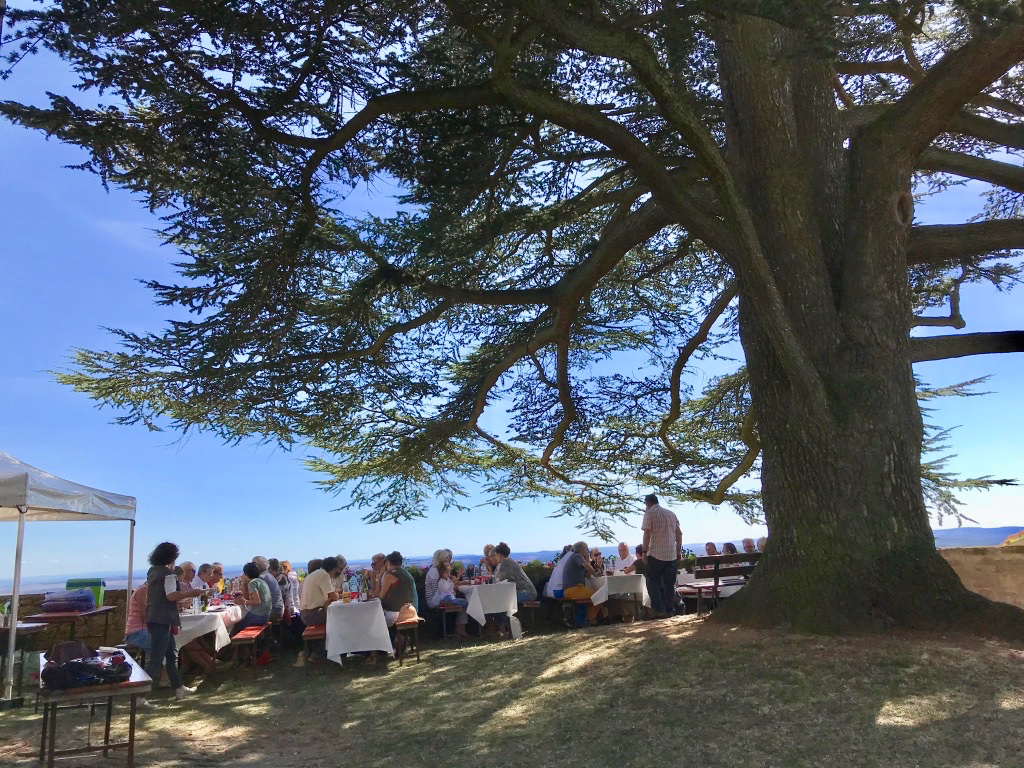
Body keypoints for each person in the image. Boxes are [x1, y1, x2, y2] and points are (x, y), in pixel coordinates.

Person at [144, 541, 204, 701]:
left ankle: (179, 688)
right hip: (163, 618)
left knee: (171, 654)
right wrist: (191, 593)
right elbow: (171, 596)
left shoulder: (152, 571)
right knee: (157, 658)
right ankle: (139, 696)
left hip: (154, 616)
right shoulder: (168, 574)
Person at [641, 493, 682, 619]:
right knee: (669, 584)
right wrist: (678, 550)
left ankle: (659, 610)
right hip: (671, 554)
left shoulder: (649, 513)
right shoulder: (671, 514)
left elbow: (647, 534)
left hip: (655, 553)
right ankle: (670, 610)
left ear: (647, 503)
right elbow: (679, 533)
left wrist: (644, 552)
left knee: (653, 582)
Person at [561, 542, 604, 625]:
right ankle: (590, 619)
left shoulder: (575, 558)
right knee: (599, 596)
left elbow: (588, 575)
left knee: (595, 597)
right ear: (582, 549)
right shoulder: (576, 556)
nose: (587, 551)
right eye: (587, 549)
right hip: (573, 588)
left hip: (573, 589)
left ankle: (589, 619)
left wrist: (587, 559)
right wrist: (595, 574)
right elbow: (587, 567)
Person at [299, 557, 340, 626]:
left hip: (307, 614)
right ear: (335, 569)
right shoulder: (324, 575)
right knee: (340, 615)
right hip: (312, 615)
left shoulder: (316, 573)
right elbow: (334, 597)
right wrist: (332, 597)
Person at [380, 551, 416, 627]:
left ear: (388, 562)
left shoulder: (389, 575)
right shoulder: (406, 573)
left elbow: (381, 596)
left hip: (394, 612)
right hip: (410, 611)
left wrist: (380, 576)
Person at [435, 561, 470, 638]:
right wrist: (452, 583)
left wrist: (457, 578)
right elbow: (447, 590)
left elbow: (452, 588)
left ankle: (460, 627)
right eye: (446, 572)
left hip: (451, 597)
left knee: (465, 603)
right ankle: (460, 627)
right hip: (446, 598)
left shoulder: (447, 580)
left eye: (449, 572)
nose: (448, 574)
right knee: (463, 603)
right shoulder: (441, 582)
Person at [235, 562, 272, 629]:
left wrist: (244, 602)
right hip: (266, 615)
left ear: (246, 573)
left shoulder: (252, 583)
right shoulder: (261, 581)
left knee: (237, 626)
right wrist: (244, 584)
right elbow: (249, 597)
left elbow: (257, 601)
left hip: (259, 616)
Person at [252, 556, 284, 621]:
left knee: (245, 619)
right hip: (278, 609)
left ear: (257, 566)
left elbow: (256, 600)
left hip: (272, 611)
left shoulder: (261, 578)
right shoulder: (268, 576)